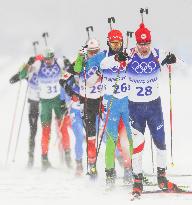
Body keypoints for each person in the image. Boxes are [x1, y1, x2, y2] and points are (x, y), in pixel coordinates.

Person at [127, 23, 180, 197]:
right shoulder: (129, 55)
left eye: (146, 43)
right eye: (141, 44)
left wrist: (173, 59)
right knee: (138, 145)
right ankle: (137, 179)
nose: (144, 47)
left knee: (160, 142)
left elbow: (179, 61)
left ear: (150, 42)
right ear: (136, 43)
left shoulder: (158, 53)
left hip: (154, 107)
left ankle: (162, 176)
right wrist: (117, 58)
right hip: (135, 108)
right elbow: (109, 62)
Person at [85, 29, 133, 185]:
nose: (116, 46)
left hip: (126, 103)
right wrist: (98, 71)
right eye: (113, 43)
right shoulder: (101, 57)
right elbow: (89, 80)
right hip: (110, 103)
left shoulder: (127, 54)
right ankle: (110, 174)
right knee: (111, 140)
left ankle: (130, 170)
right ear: (108, 43)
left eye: (119, 43)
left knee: (128, 140)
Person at [23, 48, 72, 171]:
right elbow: (23, 74)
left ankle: (68, 156)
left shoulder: (59, 62)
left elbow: (70, 72)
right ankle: (44, 159)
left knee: (63, 128)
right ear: (43, 58)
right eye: (47, 59)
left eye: (51, 58)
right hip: (44, 102)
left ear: (53, 57)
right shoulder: (39, 64)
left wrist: (68, 63)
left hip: (57, 100)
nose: (49, 61)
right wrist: (28, 64)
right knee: (46, 130)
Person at [73, 38, 102, 178]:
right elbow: (76, 69)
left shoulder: (102, 60)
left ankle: (121, 164)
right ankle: (91, 164)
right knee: (91, 136)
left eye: (96, 51)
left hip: (102, 100)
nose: (94, 54)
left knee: (109, 132)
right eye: (91, 52)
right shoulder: (83, 61)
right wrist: (80, 57)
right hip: (87, 102)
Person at [9, 61, 40, 168]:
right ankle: (30, 158)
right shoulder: (28, 71)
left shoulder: (46, 68)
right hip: (33, 105)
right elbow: (13, 80)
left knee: (49, 131)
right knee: (33, 131)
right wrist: (26, 68)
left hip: (47, 103)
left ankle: (49, 158)